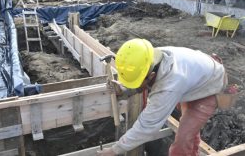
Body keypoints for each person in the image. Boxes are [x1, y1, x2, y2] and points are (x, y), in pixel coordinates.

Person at [97, 39, 227, 156]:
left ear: (152, 75)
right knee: (188, 129)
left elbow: (147, 127)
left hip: (210, 84)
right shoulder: (149, 58)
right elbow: (144, 83)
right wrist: (123, 90)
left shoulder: (168, 87)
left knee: (182, 143)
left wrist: (114, 150)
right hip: (194, 75)